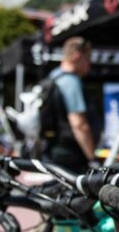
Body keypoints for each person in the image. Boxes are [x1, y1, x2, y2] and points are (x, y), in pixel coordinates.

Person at [41, 37, 96, 172]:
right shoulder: (71, 82)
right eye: (88, 58)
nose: (89, 63)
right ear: (77, 56)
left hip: (51, 150)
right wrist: (92, 159)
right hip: (70, 156)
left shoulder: (53, 76)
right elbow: (79, 124)